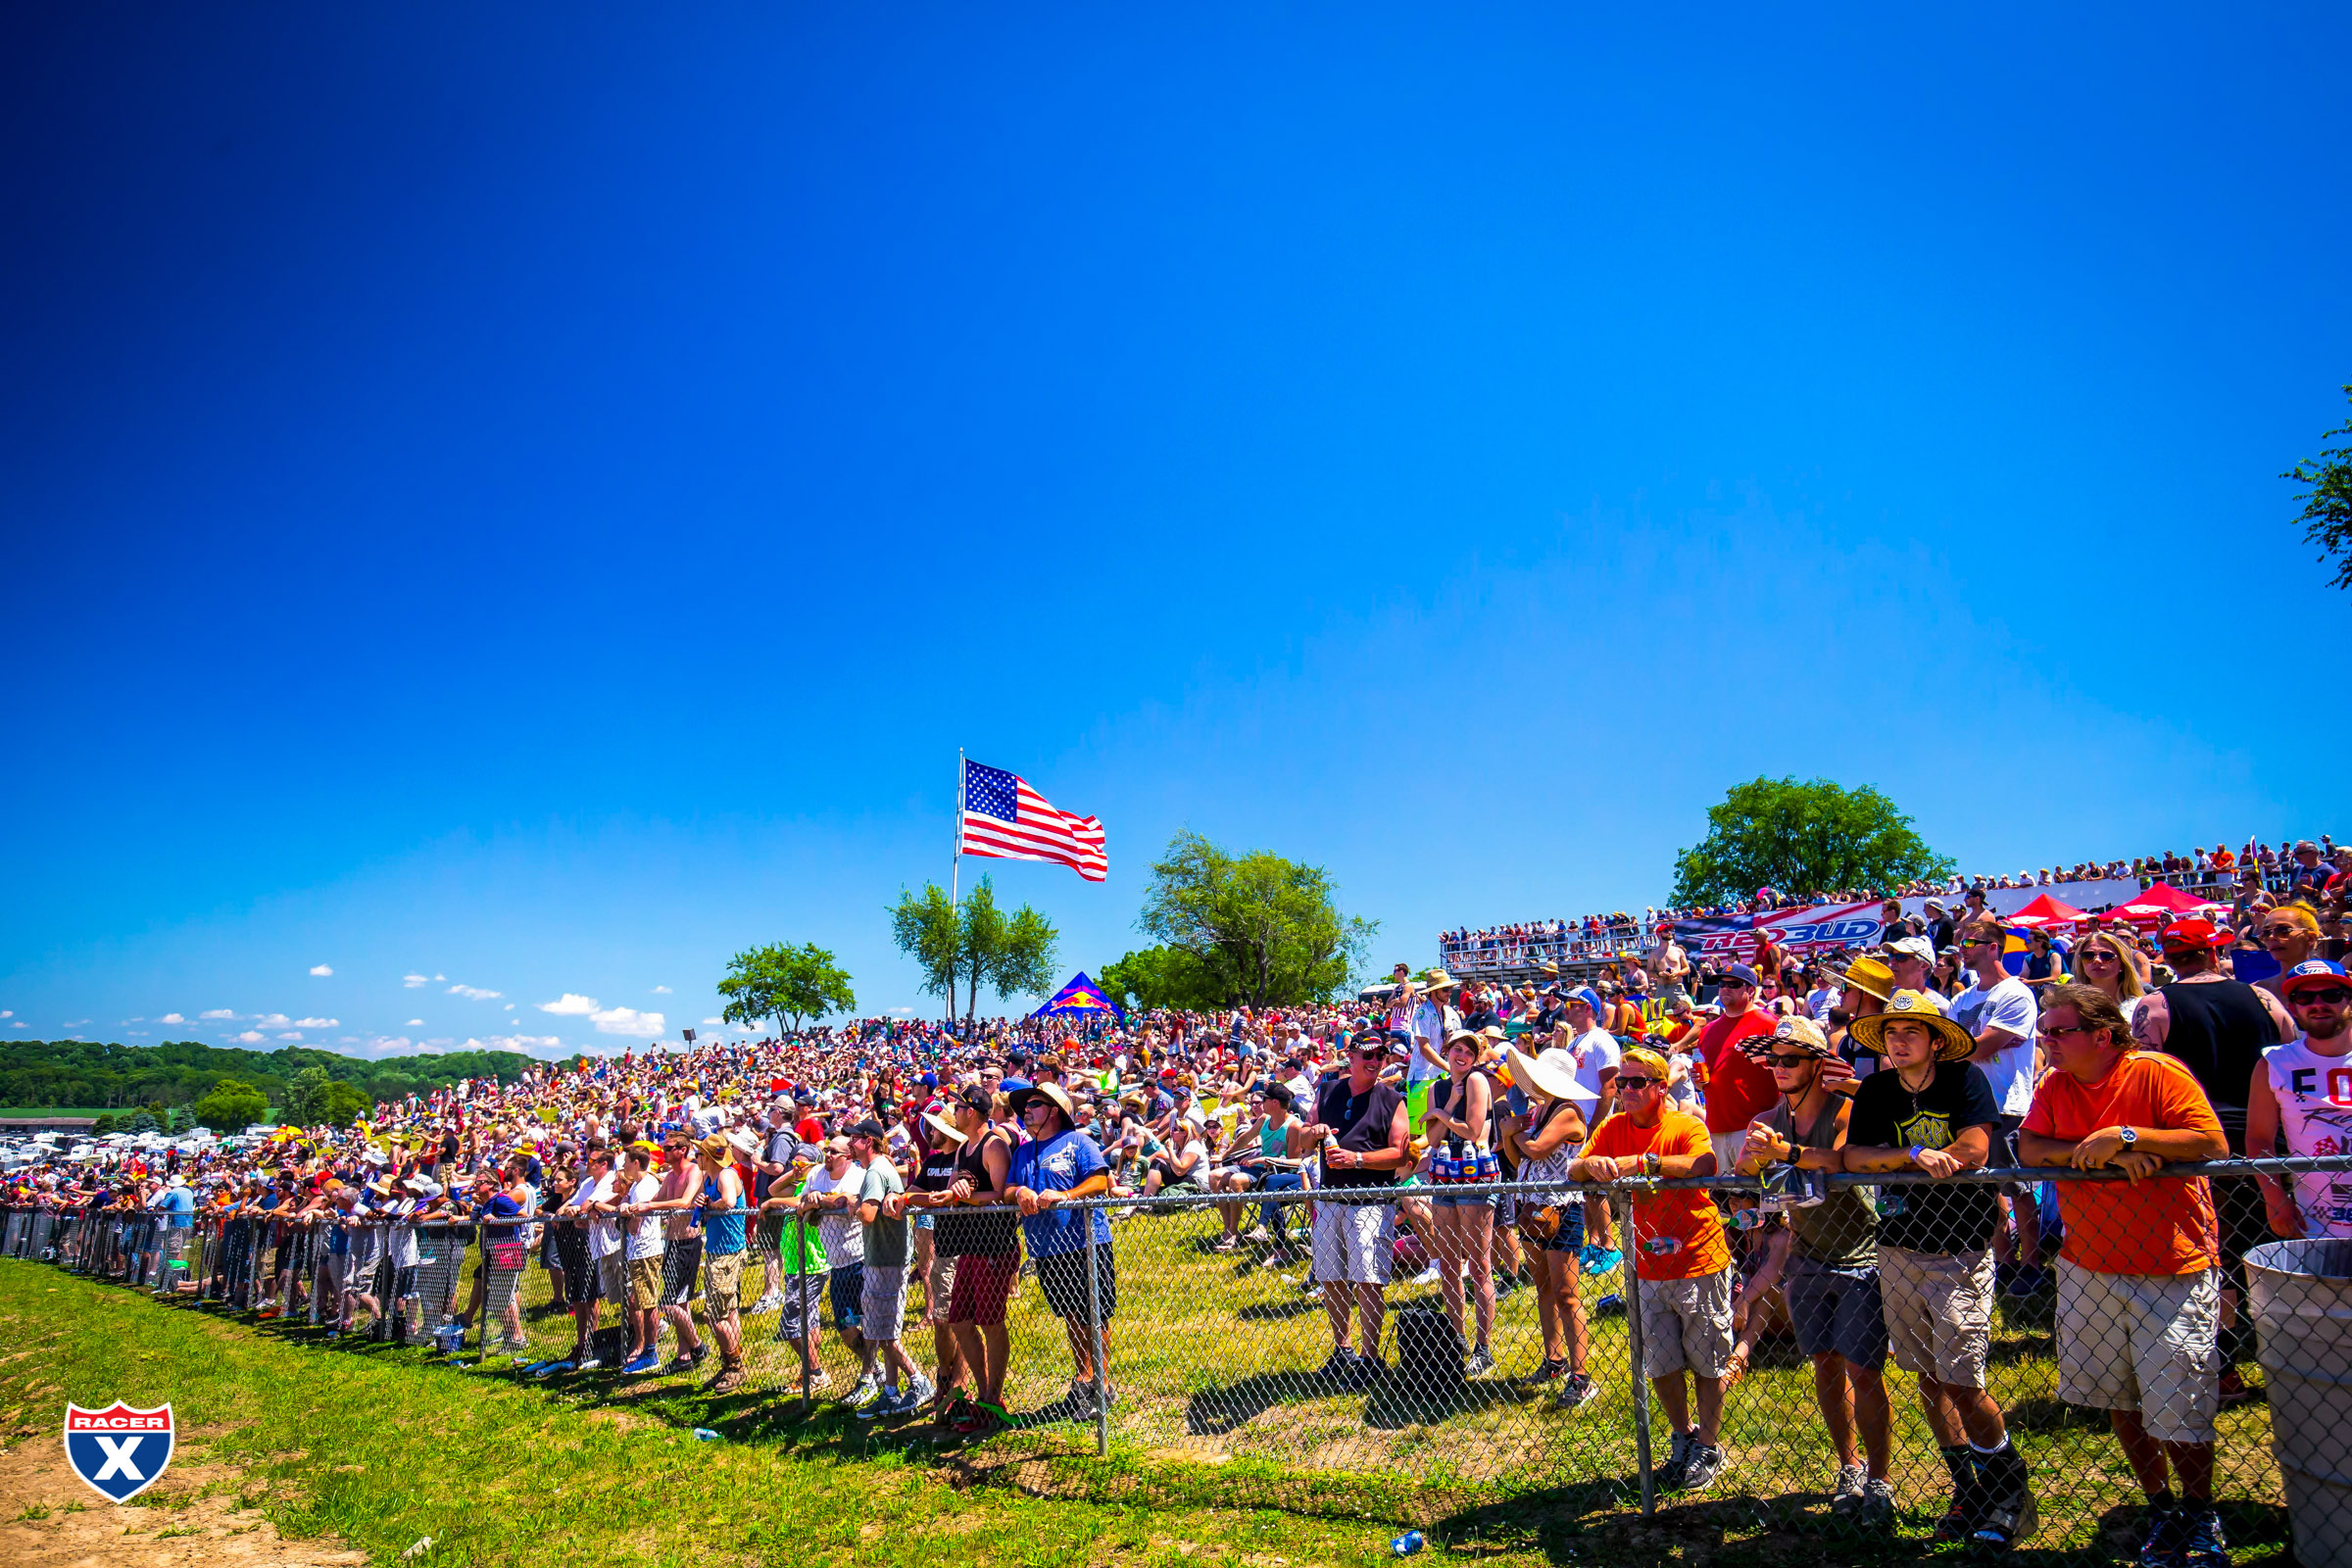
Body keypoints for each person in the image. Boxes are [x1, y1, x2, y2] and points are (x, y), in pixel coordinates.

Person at [2019, 983, 2230, 1568]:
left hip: (2172, 1264)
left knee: (2181, 1399)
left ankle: (2199, 1511)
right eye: (2044, 1031)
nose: (2047, 1041)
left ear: (2102, 1036)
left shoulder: (2157, 1073)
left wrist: (2131, 1136)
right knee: (2119, 1395)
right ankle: (2160, 1507)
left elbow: (2211, 1140)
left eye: (2058, 1031)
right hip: (2089, 1264)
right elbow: (2031, 1146)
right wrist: (2103, 1151)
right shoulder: (2056, 1084)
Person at [1840, 990, 2030, 1549]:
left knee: (1963, 1382)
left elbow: (1974, 1146)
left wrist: (1930, 1155)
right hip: (1897, 1246)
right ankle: (1967, 1488)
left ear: (1935, 1040)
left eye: (1911, 1032)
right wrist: (1911, 1157)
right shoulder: (1875, 1088)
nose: (1899, 1042)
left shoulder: (1963, 1081)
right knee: (1927, 1374)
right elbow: (1854, 1157)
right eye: (1891, 1033)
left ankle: (2008, 1490)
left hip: (1959, 1248)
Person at [1734, 1016, 1893, 1529]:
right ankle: (1849, 1468)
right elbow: (1743, 1174)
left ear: (1816, 1065)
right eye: (1773, 1060)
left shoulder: (1845, 1108)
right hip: (1805, 1255)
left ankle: (1880, 1480)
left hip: (1860, 1255)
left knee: (1865, 1372)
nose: (1779, 1069)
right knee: (1825, 1366)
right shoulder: (1767, 1116)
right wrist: (1750, 1157)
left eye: (1791, 1060)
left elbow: (1837, 1157)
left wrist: (1783, 1153)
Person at [2134, 915, 2296, 1398]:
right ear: (2212, 952)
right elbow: (2289, 1054)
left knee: (2212, 1254)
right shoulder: (2261, 998)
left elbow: (2144, 1071)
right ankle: (2287, 1357)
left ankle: (2220, 1364)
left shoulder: (2156, 1005)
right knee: (2271, 1245)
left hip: (2195, 1140)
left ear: (2170, 959)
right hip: (2264, 1137)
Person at [1570, 1045, 1730, 1494]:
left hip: (1699, 1258)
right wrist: (1591, 1165)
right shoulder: (1613, 1126)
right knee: (1660, 1362)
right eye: (1621, 1082)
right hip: (1646, 1265)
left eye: (1637, 1082)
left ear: (1661, 1087)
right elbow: (1574, 1167)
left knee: (1708, 1361)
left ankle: (1709, 1446)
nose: (1627, 1090)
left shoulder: (1683, 1125)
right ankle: (1682, 1438)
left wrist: (1645, 1163)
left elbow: (1704, 1164)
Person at [1301, 1030, 1411, 1385]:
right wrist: (1313, 1131)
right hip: (1330, 1198)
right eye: (1368, 1054)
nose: (1375, 1061)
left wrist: (1358, 1159)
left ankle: (1371, 1358)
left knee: (1368, 1279)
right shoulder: (1328, 1090)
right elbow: (1301, 1140)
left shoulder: (1392, 1099)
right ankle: (1342, 1349)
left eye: (1380, 1055)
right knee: (1331, 1277)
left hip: (1370, 1202)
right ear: (1350, 1055)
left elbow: (1401, 1153)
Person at [1005, 1081, 1118, 1416]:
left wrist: (1066, 1196)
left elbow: (1100, 1181)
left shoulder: (1079, 1141)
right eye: (1025, 1106)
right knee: (1071, 1314)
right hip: (1045, 1248)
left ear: (1054, 1111)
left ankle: (1100, 1383)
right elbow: (1009, 1188)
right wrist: (1019, 1192)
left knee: (1094, 1313)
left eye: (1035, 1104)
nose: (1026, 1110)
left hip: (1085, 1241)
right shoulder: (1023, 1151)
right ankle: (1086, 1378)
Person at [1948, 917, 2045, 1296]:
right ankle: (2004, 1262)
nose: (1964, 948)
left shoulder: (2015, 993)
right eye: (1961, 942)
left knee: (2018, 1188)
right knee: (1986, 1190)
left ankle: (2033, 1264)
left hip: (2007, 1103)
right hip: (1970, 1106)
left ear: (1994, 948)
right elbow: (1951, 1045)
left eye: (1972, 941)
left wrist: (1954, 1049)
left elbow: (1984, 1045)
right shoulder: (1962, 998)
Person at [1502, 1045, 1599, 1407]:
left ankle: (1581, 1374)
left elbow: (1538, 1148)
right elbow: (1517, 1159)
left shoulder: (1568, 1112)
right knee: (1544, 1286)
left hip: (1563, 1209)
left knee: (1565, 1293)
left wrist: (1511, 1132)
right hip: (1533, 1208)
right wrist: (1511, 1134)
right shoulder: (1541, 1109)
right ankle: (1555, 1360)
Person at [2246, 959, 2352, 1240]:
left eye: (2331, 995)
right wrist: (2275, 1201)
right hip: (2317, 1224)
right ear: (2292, 1007)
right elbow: (2258, 1138)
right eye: (2304, 997)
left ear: (2349, 1002)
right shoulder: (2274, 1063)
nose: (2318, 1004)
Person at [1422, 1030, 1499, 1375]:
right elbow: (1432, 1138)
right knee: (1449, 1263)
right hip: (1443, 1175)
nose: (1462, 1055)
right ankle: (1457, 1339)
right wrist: (1446, 1107)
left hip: (1476, 1175)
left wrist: (1439, 1114)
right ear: (1447, 1051)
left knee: (1479, 1263)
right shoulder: (1436, 1089)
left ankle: (1483, 1347)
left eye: (1470, 1050)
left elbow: (1472, 1131)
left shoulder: (1478, 1080)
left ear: (1477, 1056)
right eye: (1457, 1048)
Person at [849, 1117, 932, 1417]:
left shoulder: (875, 1170)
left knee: (884, 1333)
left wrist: (853, 1206)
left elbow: (868, 1215)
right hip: (884, 1257)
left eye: (853, 1137)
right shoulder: (881, 1167)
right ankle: (890, 1392)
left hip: (885, 1259)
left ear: (868, 1141)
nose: (848, 1142)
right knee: (883, 1330)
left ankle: (918, 1380)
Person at [797, 1137, 872, 1403]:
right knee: (845, 1327)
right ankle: (875, 1367)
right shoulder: (816, 1174)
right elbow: (800, 1204)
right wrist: (810, 1199)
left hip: (861, 1259)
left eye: (833, 1151)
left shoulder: (858, 1175)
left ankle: (870, 1376)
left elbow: (850, 1200)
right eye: (826, 1149)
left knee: (872, 1324)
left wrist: (822, 1201)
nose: (826, 1154)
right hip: (836, 1263)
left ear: (847, 1157)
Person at [1691, 963, 1779, 1179]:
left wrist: (1775, 1120)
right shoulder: (1709, 1030)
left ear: (1751, 990)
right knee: (1729, 1204)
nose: (1725, 989)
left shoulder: (1769, 1025)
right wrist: (1698, 1082)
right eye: (1722, 984)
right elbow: (1709, 1075)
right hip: (1717, 1126)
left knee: (1764, 1203)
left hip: (1754, 1127)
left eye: (1734, 984)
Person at [693, 1133, 751, 1394]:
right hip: (718, 1249)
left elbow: (727, 1202)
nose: (696, 1158)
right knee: (729, 1312)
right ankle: (730, 1363)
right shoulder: (709, 1178)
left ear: (708, 1156)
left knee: (714, 1315)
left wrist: (709, 1205)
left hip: (727, 1252)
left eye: (699, 1154)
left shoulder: (726, 1175)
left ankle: (735, 1365)